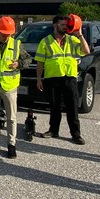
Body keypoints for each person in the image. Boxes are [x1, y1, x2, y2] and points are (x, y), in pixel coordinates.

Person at [35, 15, 90, 145]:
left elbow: (86, 51)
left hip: (69, 77)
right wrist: (39, 79)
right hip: (52, 78)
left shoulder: (72, 39)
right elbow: (39, 63)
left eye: (67, 25)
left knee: (72, 107)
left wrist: (80, 35)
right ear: (55, 25)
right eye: (63, 24)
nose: (66, 27)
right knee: (54, 106)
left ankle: (76, 134)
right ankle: (53, 130)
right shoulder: (45, 41)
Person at [0, 16, 30, 158]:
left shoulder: (16, 44)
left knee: (11, 117)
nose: (6, 36)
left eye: (9, 34)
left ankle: (11, 144)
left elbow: (27, 59)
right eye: (3, 33)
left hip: (10, 86)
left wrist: (18, 64)